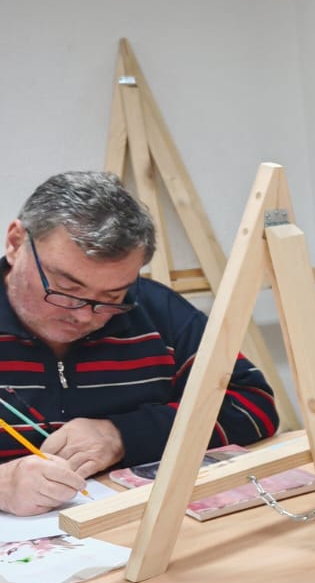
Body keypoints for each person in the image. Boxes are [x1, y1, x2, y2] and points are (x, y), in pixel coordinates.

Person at [0, 172, 277, 516]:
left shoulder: (156, 311)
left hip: (140, 528)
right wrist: (3, 486)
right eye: (67, 290)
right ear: (16, 243)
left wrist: (122, 436)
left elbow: (253, 406)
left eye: (112, 296)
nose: (85, 316)